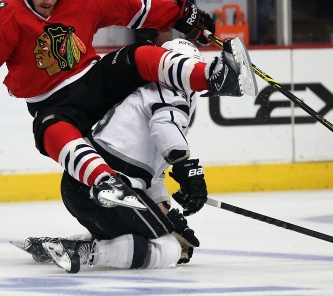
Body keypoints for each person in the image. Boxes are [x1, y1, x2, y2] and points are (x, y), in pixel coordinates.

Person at [0, 0, 257, 262]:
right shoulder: (2, 17)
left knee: (140, 54)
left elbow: (138, 10)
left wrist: (179, 14)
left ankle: (214, 79)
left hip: (94, 80)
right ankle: (105, 181)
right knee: (49, 130)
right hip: (54, 102)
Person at [12, 39, 209, 273]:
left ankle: (58, 246)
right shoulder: (168, 89)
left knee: (131, 234)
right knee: (169, 248)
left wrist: (166, 216)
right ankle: (83, 253)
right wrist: (187, 169)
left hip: (83, 183)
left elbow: (152, 172)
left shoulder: (143, 90)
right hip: (114, 189)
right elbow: (164, 126)